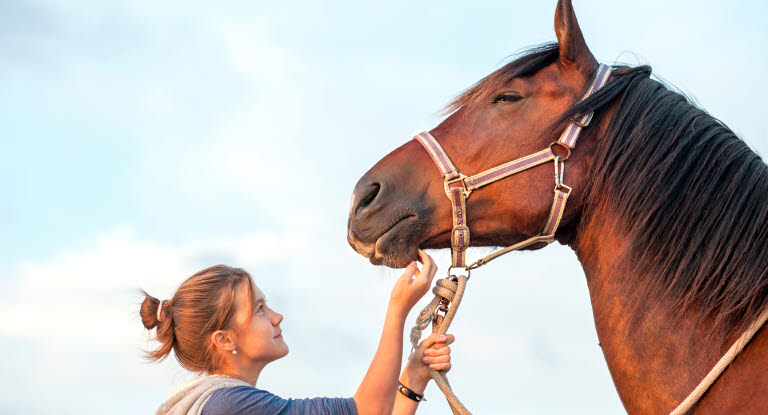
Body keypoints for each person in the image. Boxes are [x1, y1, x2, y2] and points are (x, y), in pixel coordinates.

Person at [140, 250, 454, 415]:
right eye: (259, 310)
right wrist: (398, 309)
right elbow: (368, 411)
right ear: (224, 339)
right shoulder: (229, 406)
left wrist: (412, 378)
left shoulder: (219, 401)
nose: (277, 317)